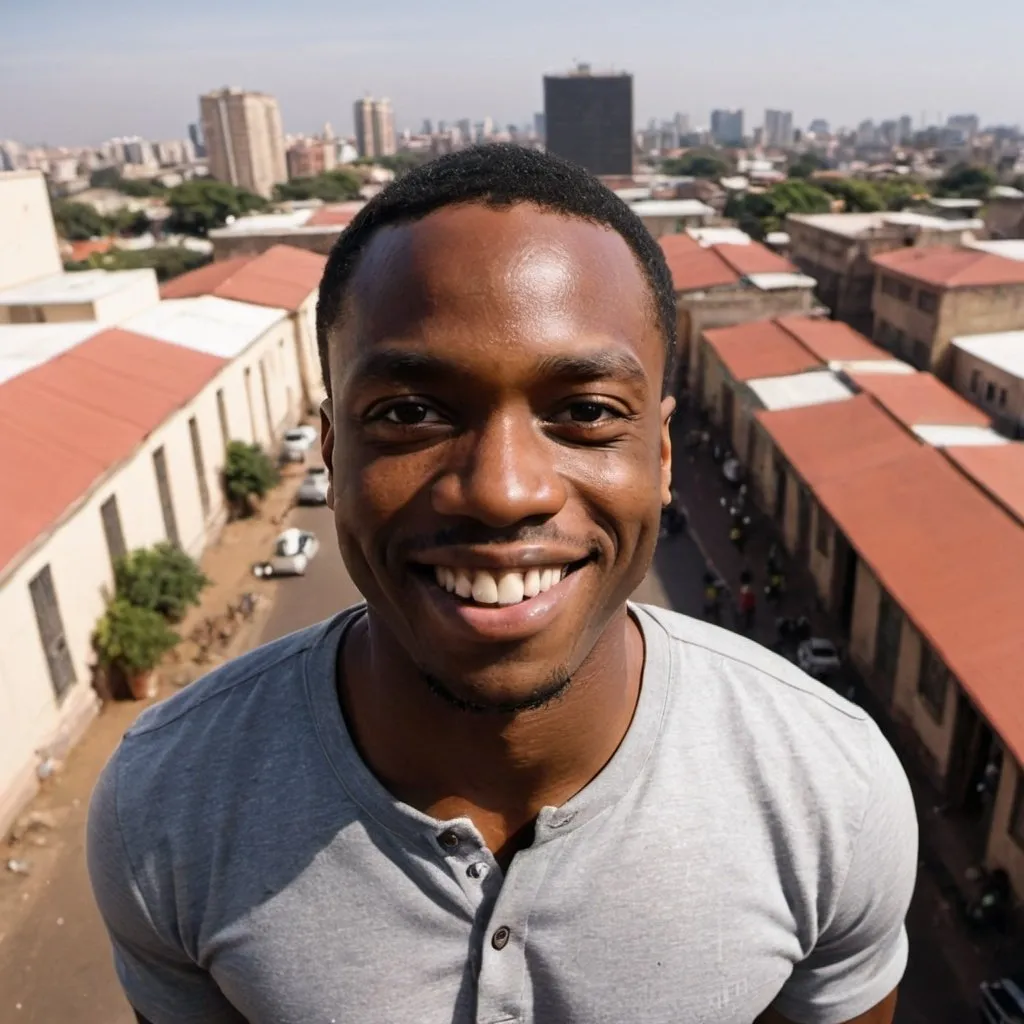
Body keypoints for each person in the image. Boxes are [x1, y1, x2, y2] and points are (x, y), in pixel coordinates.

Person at [88, 146, 917, 1024]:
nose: (502, 489)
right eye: (408, 413)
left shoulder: (829, 789)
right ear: (331, 449)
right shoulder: (169, 804)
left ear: (663, 456)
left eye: (587, 412)